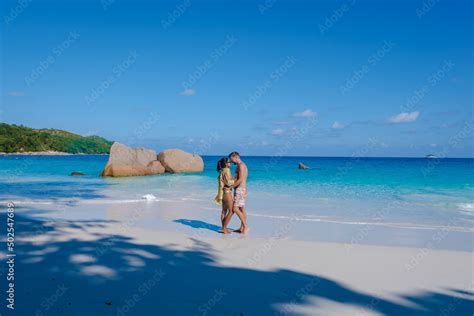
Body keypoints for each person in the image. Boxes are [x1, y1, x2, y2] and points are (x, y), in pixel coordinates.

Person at [223, 151, 249, 234]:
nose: (231, 161)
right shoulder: (243, 165)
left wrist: (231, 187)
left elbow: (240, 179)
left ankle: (245, 226)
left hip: (240, 189)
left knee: (235, 208)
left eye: (231, 159)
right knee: (241, 208)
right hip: (243, 189)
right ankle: (242, 228)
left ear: (236, 157)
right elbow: (239, 178)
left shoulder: (241, 166)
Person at [214, 158, 235, 234]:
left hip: (222, 193)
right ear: (226, 163)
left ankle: (223, 227)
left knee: (224, 211)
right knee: (231, 211)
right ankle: (224, 228)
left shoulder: (221, 170)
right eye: (229, 162)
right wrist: (235, 180)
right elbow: (228, 182)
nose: (230, 163)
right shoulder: (227, 170)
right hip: (227, 192)